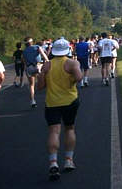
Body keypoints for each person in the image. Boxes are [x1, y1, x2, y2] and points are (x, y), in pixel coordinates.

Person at [37, 38, 83, 181]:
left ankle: (53, 163)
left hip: (52, 102)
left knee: (54, 131)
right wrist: (71, 81)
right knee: (69, 128)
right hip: (70, 100)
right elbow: (79, 77)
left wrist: (43, 74)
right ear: (68, 50)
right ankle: (69, 160)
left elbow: (40, 87)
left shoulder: (47, 65)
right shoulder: (72, 63)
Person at [23, 37, 49, 108]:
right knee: (46, 81)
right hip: (38, 66)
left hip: (29, 68)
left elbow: (25, 62)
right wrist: (48, 62)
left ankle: (33, 100)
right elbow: (44, 55)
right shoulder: (37, 47)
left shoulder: (24, 51)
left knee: (31, 85)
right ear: (32, 42)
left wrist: (26, 69)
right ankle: (48, 98)